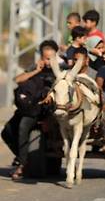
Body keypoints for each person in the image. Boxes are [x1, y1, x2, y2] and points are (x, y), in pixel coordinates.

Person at [1, 40, 60, 180]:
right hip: (28, 108)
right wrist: (35, 71)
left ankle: (23, 164)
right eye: (46, 58)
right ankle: (24, 157)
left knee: (23, 126)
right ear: (41, 57)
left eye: (51, 58)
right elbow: (18, 80)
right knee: (7, 131)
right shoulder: (34, 69)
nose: (48, 62)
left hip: (44, 112)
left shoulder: (59, 72)